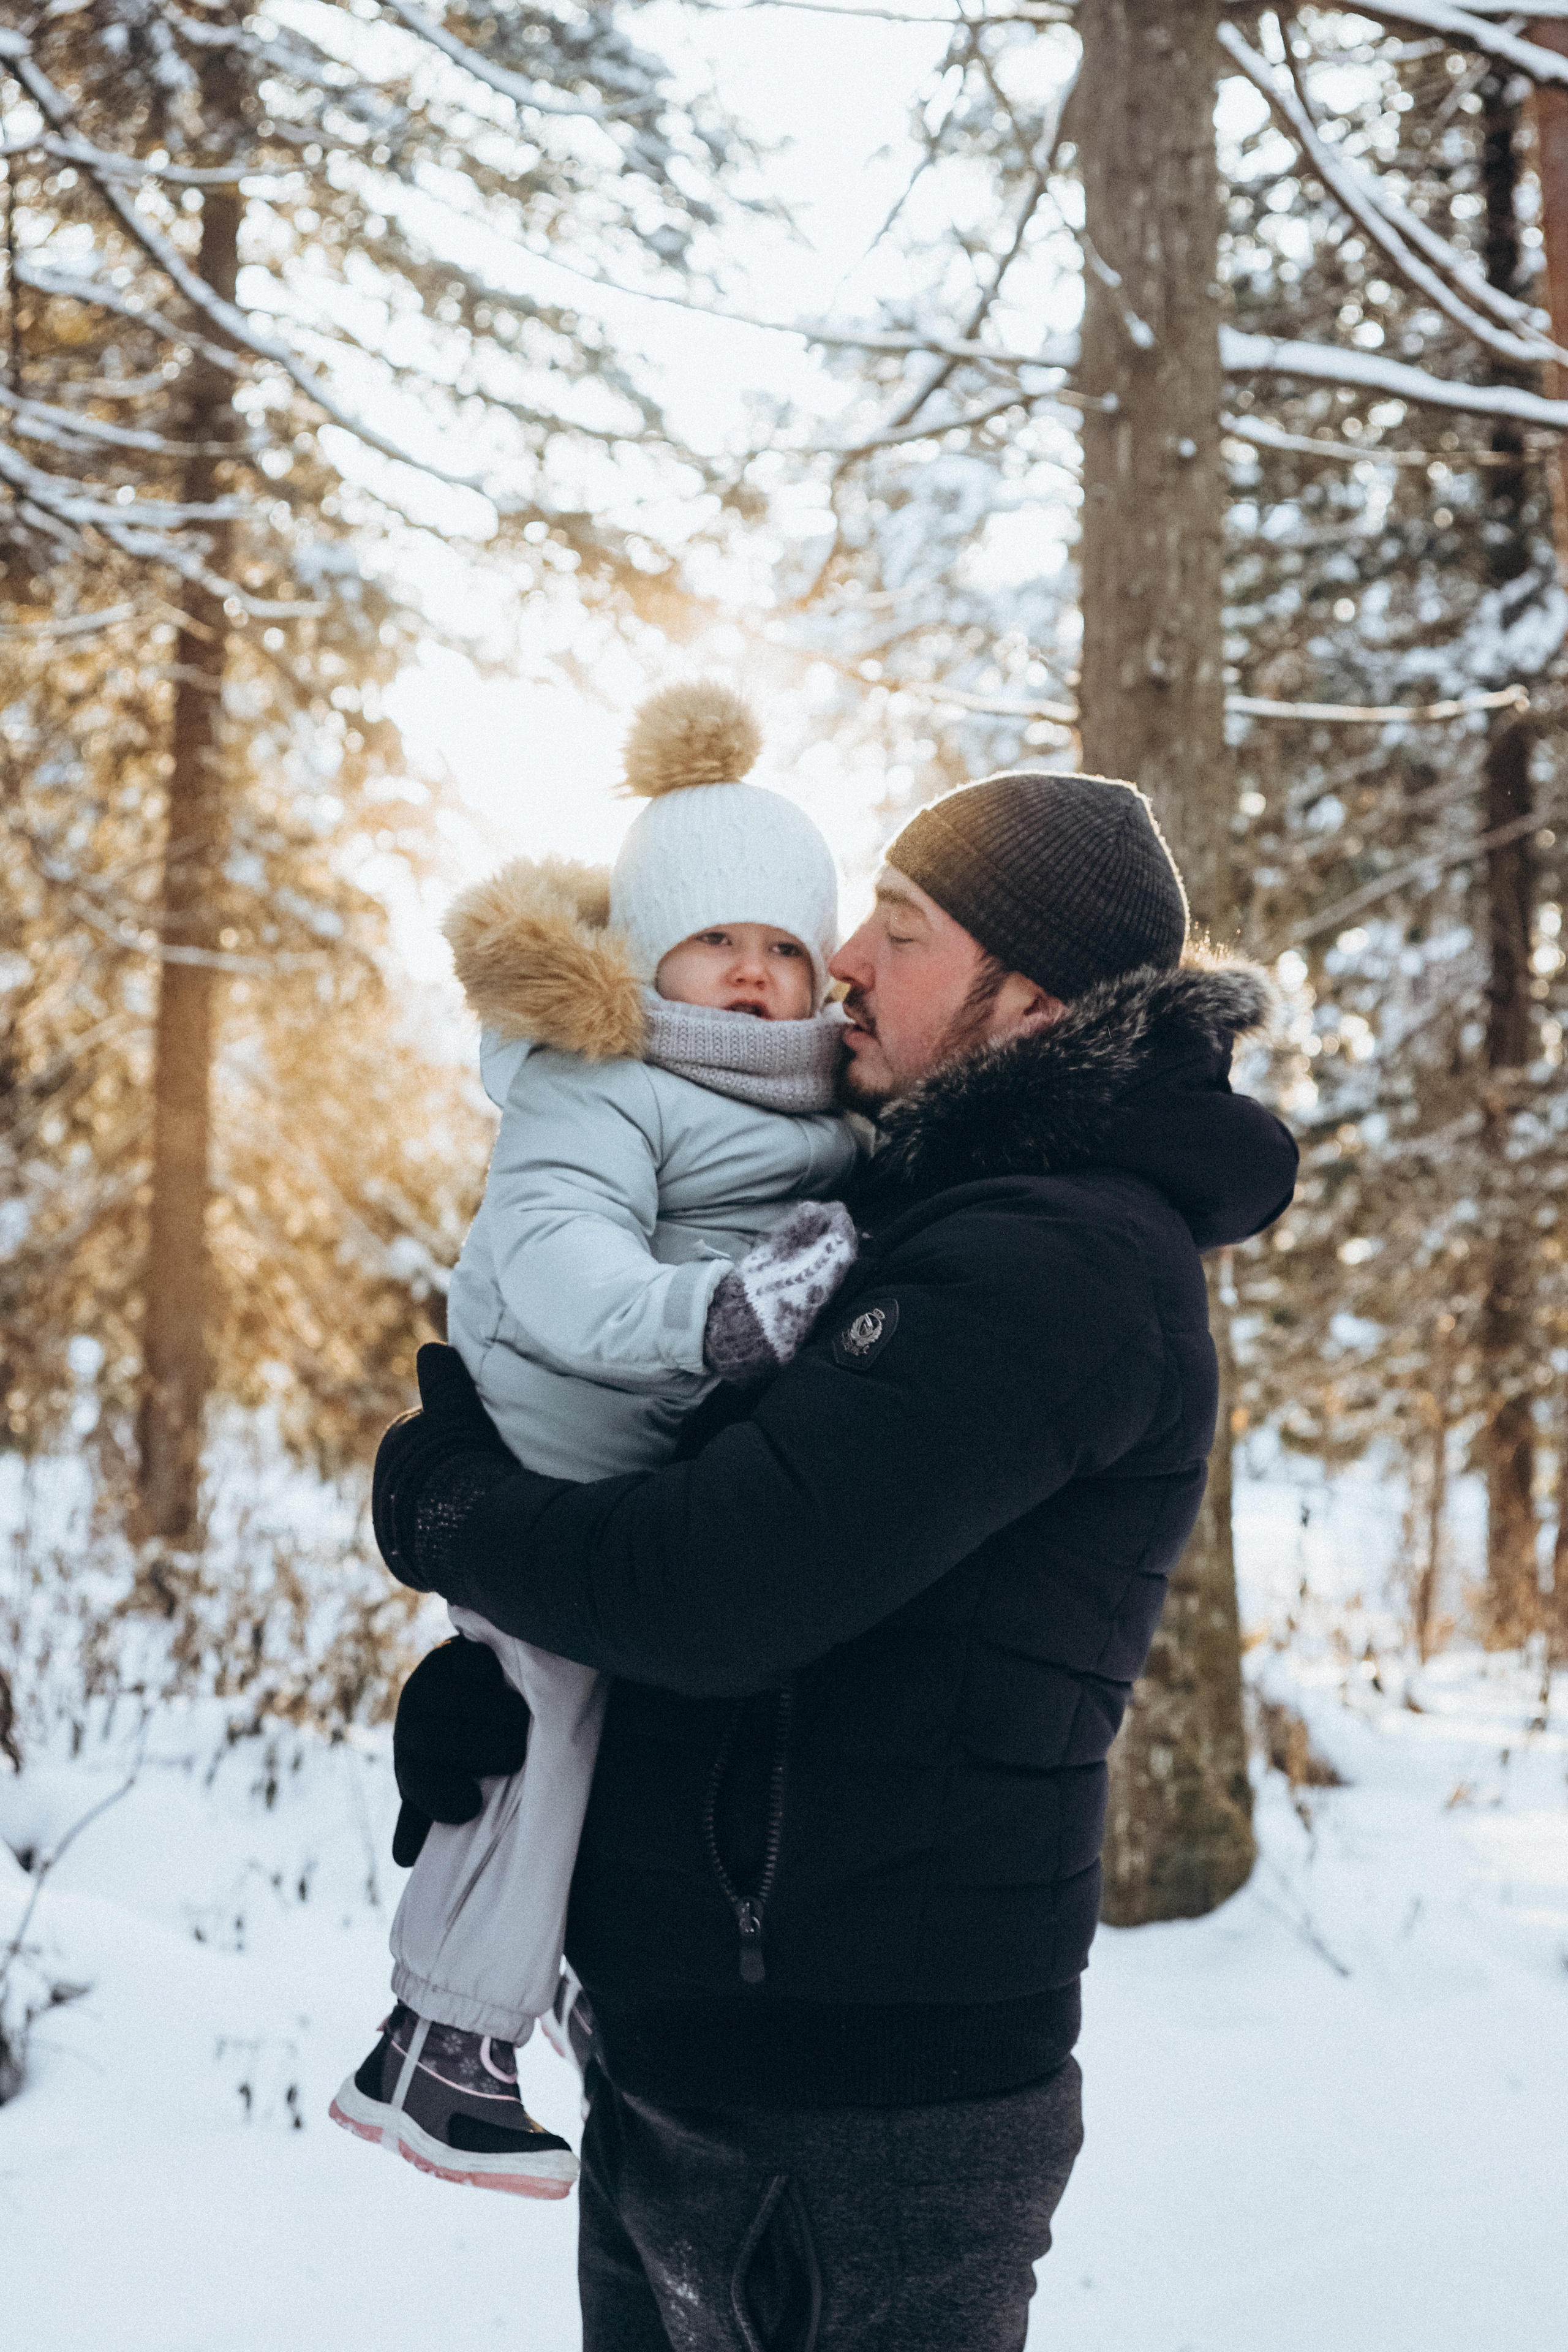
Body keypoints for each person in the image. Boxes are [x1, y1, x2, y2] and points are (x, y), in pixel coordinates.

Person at [372, 768, 1299, 2347]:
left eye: (906, 928)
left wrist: (447, 1504)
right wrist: (525, 1695)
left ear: (1033, 995)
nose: (846, 956)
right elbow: (694, 1528)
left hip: (863, 2105)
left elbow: (715, 1590)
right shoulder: (907, 1204)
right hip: (709, 2056)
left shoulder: (1053, 1262)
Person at [331, 680, 862, 2194]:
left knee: (600, 1736)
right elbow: (559, 1262)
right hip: (560, 1446)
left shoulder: (829, 1106)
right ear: (646, 954)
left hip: (654, 1474)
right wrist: (712, 1321)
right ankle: (438, 2041)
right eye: (719, 943)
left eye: (786, 950)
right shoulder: (602, 1080)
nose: (755, 978)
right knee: (536, 1726)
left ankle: (536, 1988)